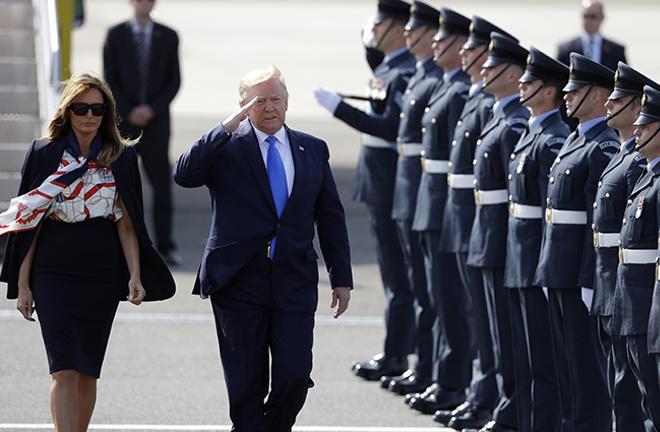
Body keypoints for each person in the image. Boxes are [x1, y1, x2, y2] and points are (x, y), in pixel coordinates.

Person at [173, 66, 353, 432]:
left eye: (275, 99)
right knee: (245, 385)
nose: (268, 107)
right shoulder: (226, 148)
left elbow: (330, 218)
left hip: (295, 279)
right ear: (242, 107)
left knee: (295, 375)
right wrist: (225, 128)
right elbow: (184, 174)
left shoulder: (312, 149)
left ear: (287, 102)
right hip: (238, 280)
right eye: (258, 101)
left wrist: (341, 278)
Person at [0, 73, 175, 432]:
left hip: (102, 273)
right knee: (63, 368)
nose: (89, 115)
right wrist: (23, 284)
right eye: (81, 108)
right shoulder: (44, 153)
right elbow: (30, 221)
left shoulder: (121, 157)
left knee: (87, 372)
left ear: (107, 113)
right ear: (68, 112)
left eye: (97, 108)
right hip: (52, 269)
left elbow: (127, 223)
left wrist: (135, 275)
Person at [314, 0, 416, 382]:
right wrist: (368, 40)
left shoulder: (404, 71)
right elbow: (375, 65)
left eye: (380, 24)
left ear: (397, 27)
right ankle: (397, 350)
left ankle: (398, 354)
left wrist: (339, 108)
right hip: (379, 181)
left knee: (399, 275)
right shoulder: (391, 66)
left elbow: (388, 127)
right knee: (395, 274)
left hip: (391, 182)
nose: (372, 30)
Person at [534, 52, 618, 432]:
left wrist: (589, 278)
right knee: (565, 367)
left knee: (586, 374)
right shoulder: (574, 140)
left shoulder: (601, 147)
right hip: (557, 269)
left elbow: (595, 224)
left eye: (577, 91)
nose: (567, 97)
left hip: (576, 275)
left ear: (599, 96)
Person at [435, 16, 511, 430]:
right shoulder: (477, 98)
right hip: (466, 216)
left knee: (488, 322)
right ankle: (483, 395)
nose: (467, 57)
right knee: (477, 318)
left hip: (482, 221)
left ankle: (489, 398)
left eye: (471, 50)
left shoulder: (486, 104)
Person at [406, 6, 472, 415]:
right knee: (437, 296)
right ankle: (442, 376)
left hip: (446, 205)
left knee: (450, 300)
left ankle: (453, 381)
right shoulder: (448, 85)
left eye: (442, 40)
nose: (434, 44)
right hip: (431, 202)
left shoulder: (460, 90)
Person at [376, 0, 442, 398]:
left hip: (428, 197)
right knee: (420, 287)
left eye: (416, 31)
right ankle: (429, 371)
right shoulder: (419, 75)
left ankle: (437, 374)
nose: (409, 37)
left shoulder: (431, 79)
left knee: (431, 292)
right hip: (414, 194)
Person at [467, 32, 530, 432]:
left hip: (502, 240)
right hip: (484, 235)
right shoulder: (498, 114)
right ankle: (497, 403)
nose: (483, 70)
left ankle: (510, 411)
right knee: (491, 333)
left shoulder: (514, 122)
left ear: (511, 73)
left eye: (492, 65)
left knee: (507, 337)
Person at [505, 47, 569, 432]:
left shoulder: (552, 139)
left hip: (534, 259)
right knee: (525, 356)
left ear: (548, 91)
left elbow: (552, 214)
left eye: (529, 82)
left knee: (544, 360)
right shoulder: (535, 132)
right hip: (519, 254)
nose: (521, 86)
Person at [595, 62, 656, 431]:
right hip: (619, 288)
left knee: (641, 395)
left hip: (641, 295)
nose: (608, 105)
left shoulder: (639, 166)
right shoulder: (627, 158)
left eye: (645, 123)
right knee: (622, 388)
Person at [103, 0, 182, 265]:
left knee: (161, 183)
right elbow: (109, 78)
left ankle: (166, 245)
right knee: (119, 183)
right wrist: (128, 110)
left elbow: (174, 81)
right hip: (123, 121)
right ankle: (119, 242)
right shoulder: (116, 35)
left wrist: (152, 109)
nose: (144, 3)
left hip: (156, 123)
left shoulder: (168, 36)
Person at [612, 84, 660, 431]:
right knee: (639, 398)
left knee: (654, 402)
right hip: (632, 300)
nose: (637, 130)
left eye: (646, 125)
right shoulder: (646, 175)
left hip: (649, 303)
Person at [556, 0, 626, 71]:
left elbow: (624, 79)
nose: (588, 21)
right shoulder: (565, 49)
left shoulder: (616, 51)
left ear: (602, 17)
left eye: (593, 17)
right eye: (585, 16)